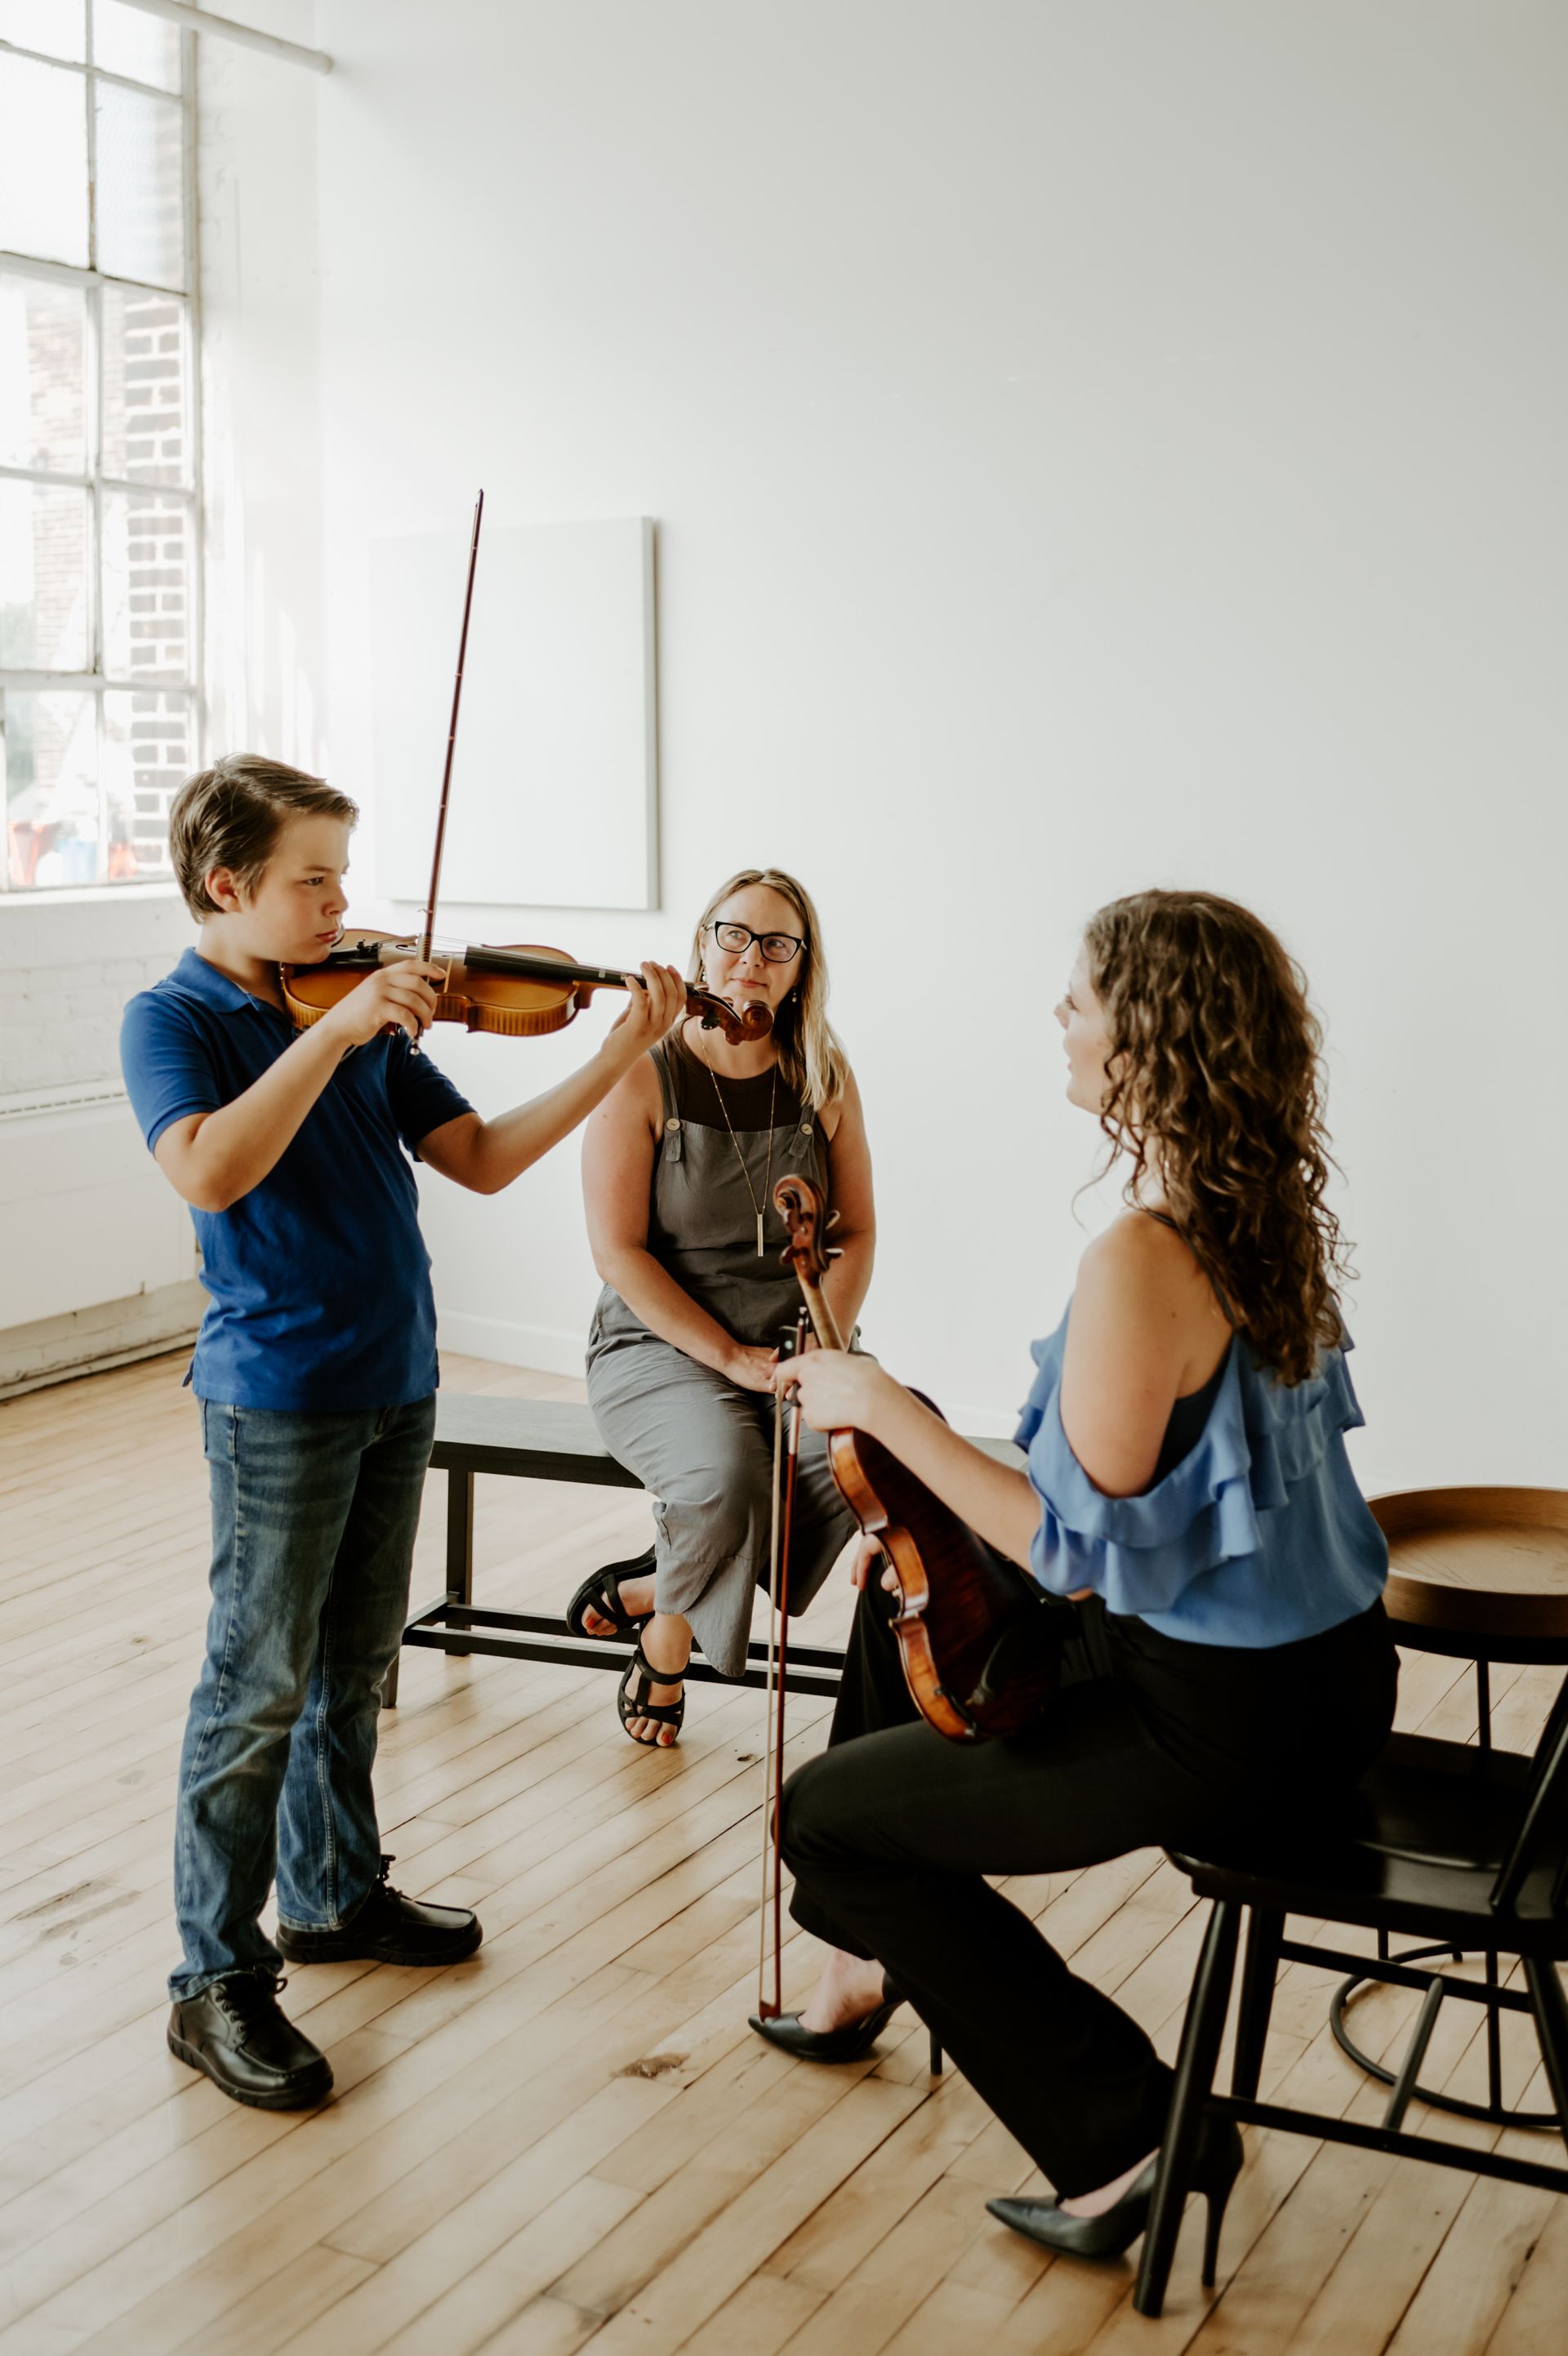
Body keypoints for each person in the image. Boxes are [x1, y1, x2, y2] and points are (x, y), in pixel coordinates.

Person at [757, 889, 1397, 2264]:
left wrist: (882, 1407)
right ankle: (860, 1968)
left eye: (1082, 997)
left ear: (1151, 1037)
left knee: (822, 1819)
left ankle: (1130, 2141)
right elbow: (1136, 1503)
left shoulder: (1145, 1257)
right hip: (1332, 1678)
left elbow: (1078, 1553)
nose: (1060, 1016)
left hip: (1222, 1721)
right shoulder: (1263, 1209)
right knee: (901, 1599)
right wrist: (926, 1502)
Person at [120, 754, 688, 2111]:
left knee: (354, 1664)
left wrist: (618, 1049)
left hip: (395, 1374)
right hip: (277, 1394)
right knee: (253, 1687)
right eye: (314, 880)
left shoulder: (362, 1012)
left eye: (341, 877)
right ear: (227, 884)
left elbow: (482, 1157)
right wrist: (338, 1032)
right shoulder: (175, 1020)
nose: (342, 905)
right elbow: (210, 1167)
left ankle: (328, 1897)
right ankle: (215, 1981)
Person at [577, 867, 874, 1744]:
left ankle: (659, 1583)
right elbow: (618, 1252)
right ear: (703, 941)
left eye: (777, 943)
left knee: (872, 1459)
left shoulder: (823, 1071)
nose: (752, 958)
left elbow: (853, 1233)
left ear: (799, 967)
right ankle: (666, 1648)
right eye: (735, 934)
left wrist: (828, 1342)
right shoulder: (641, 1072)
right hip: (658, 1341)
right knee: (726, 1478)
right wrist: (734, 1360)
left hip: (793, 1337)